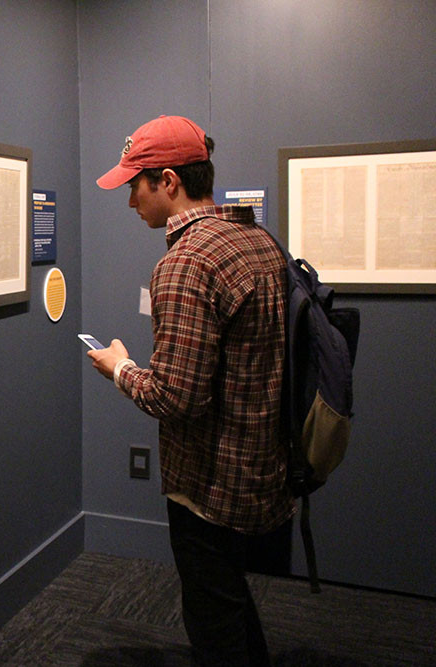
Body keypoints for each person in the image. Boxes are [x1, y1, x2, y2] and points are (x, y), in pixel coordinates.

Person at [88, 115, 295, 666]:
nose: (131, 200)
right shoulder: (257, 241)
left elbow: (175, 398)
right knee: (229, 600)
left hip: (209, 487)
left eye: (136, 184)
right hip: (263, 470)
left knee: (212, 623)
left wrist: (119, 368)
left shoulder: (184, 263)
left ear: (169, 181)